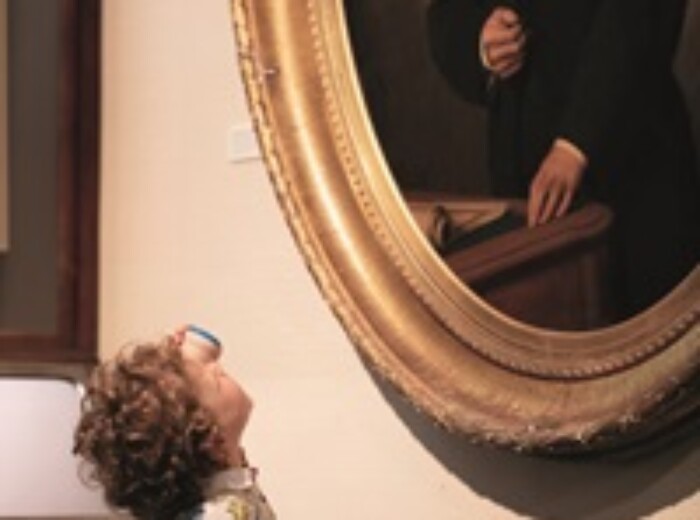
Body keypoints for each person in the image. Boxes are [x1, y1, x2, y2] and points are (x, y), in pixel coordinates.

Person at [427, 0, 700, 318]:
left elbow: (639, 15)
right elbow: (448, 12)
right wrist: (481, 41)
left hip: (633, 160)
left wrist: (574, 146)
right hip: (520, 167)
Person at [73, 325, 276, 520]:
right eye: (217, 377)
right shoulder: (221, 513)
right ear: (212, 441)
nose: (219, 367)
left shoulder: (228, 481)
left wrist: (183, 355)